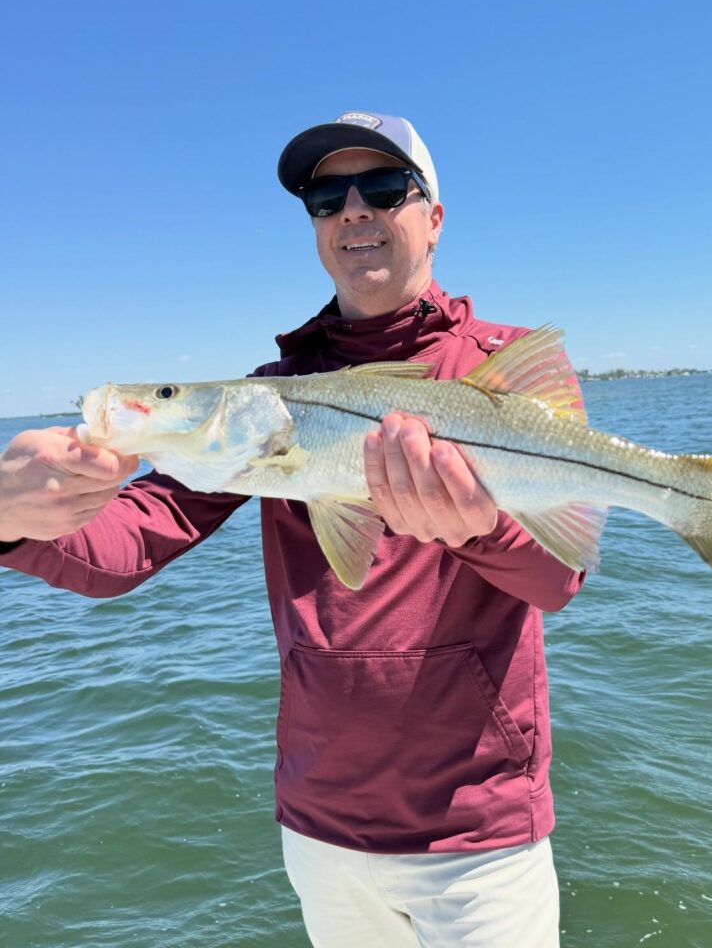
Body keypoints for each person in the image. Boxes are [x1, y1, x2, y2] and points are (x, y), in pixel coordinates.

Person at [0, 111, 584, 947]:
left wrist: (478, 530)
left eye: (384, 189)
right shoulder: (267, 397)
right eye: (325, 198)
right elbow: (129, 543)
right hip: (319, 819)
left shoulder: (507, 365)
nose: (353, 212)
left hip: (477, 830)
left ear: (434, 218)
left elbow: (557, 581)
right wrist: (11, 518)